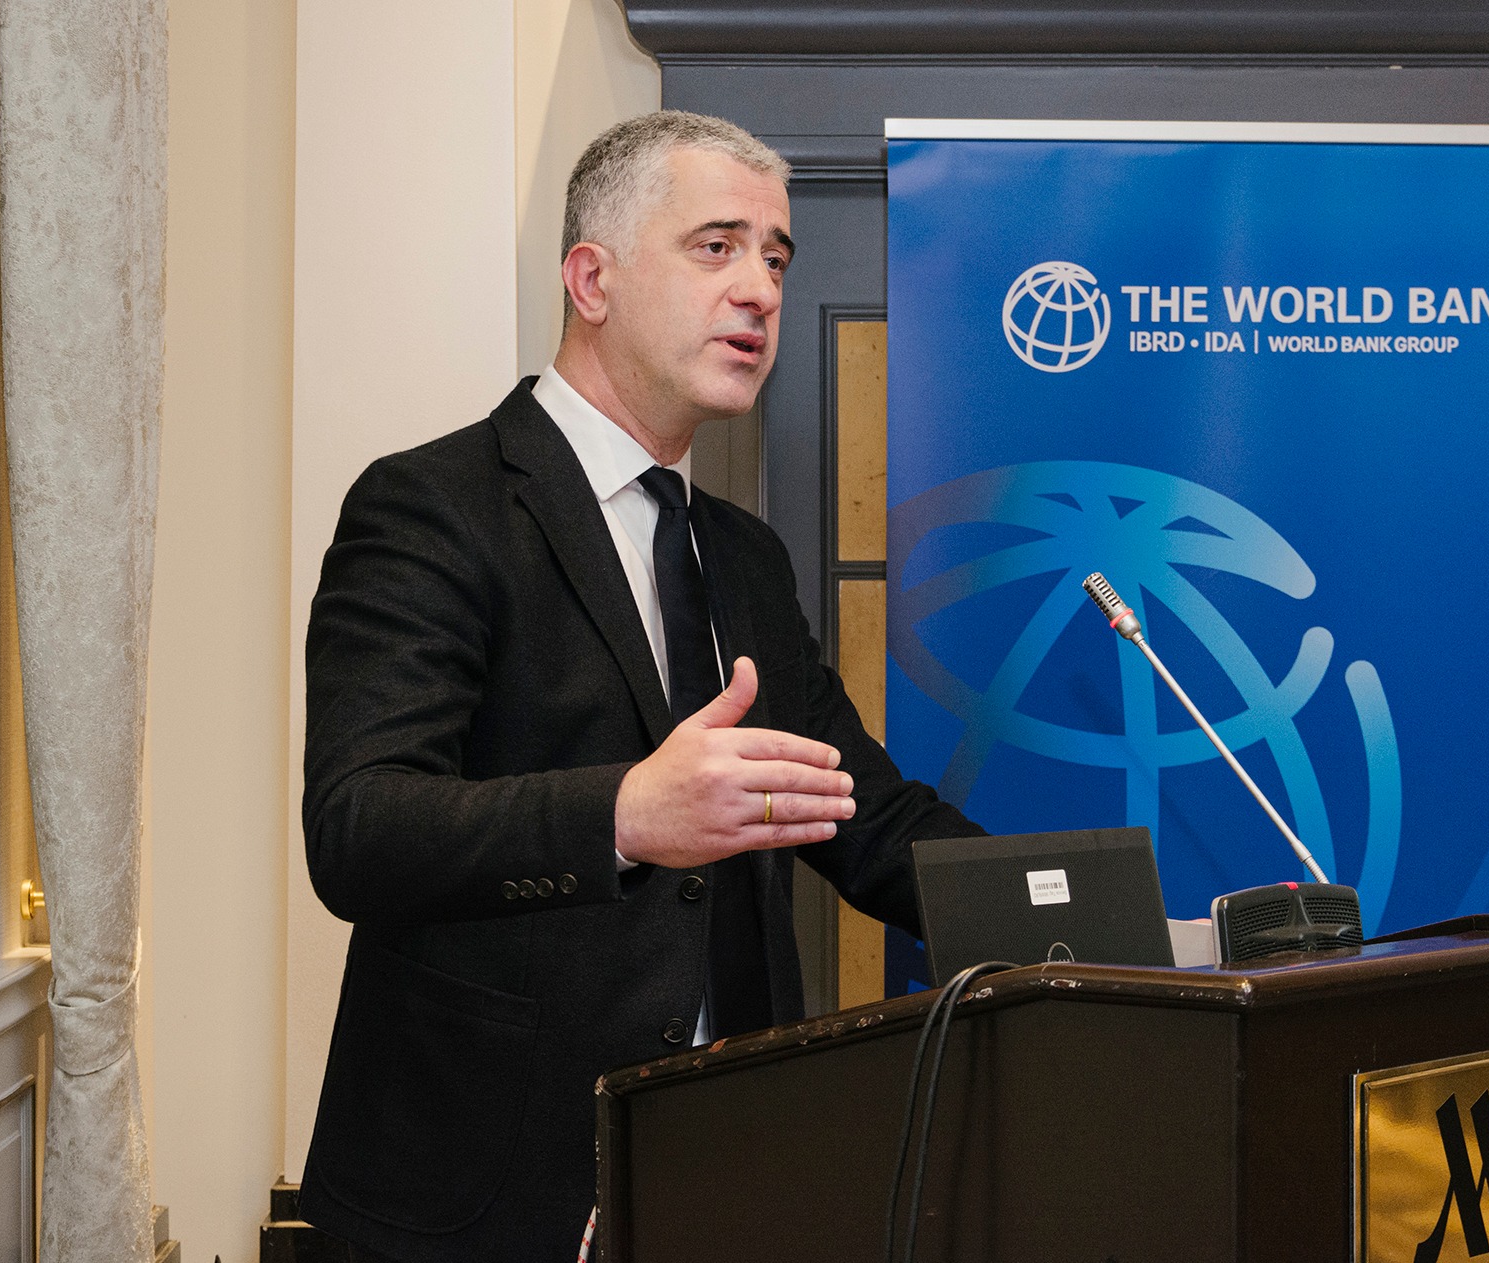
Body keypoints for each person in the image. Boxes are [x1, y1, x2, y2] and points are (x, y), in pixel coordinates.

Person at [296, 110, 980, 1262]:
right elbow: (359, 828)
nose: (759, 289)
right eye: (716, 247)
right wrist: (624, 814)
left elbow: (865, 815)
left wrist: (1093, 917)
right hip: (486, 1197)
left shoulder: (744, 557)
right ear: (591, 279)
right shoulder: (432, 508)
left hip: (727, 1174)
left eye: (775, 258)